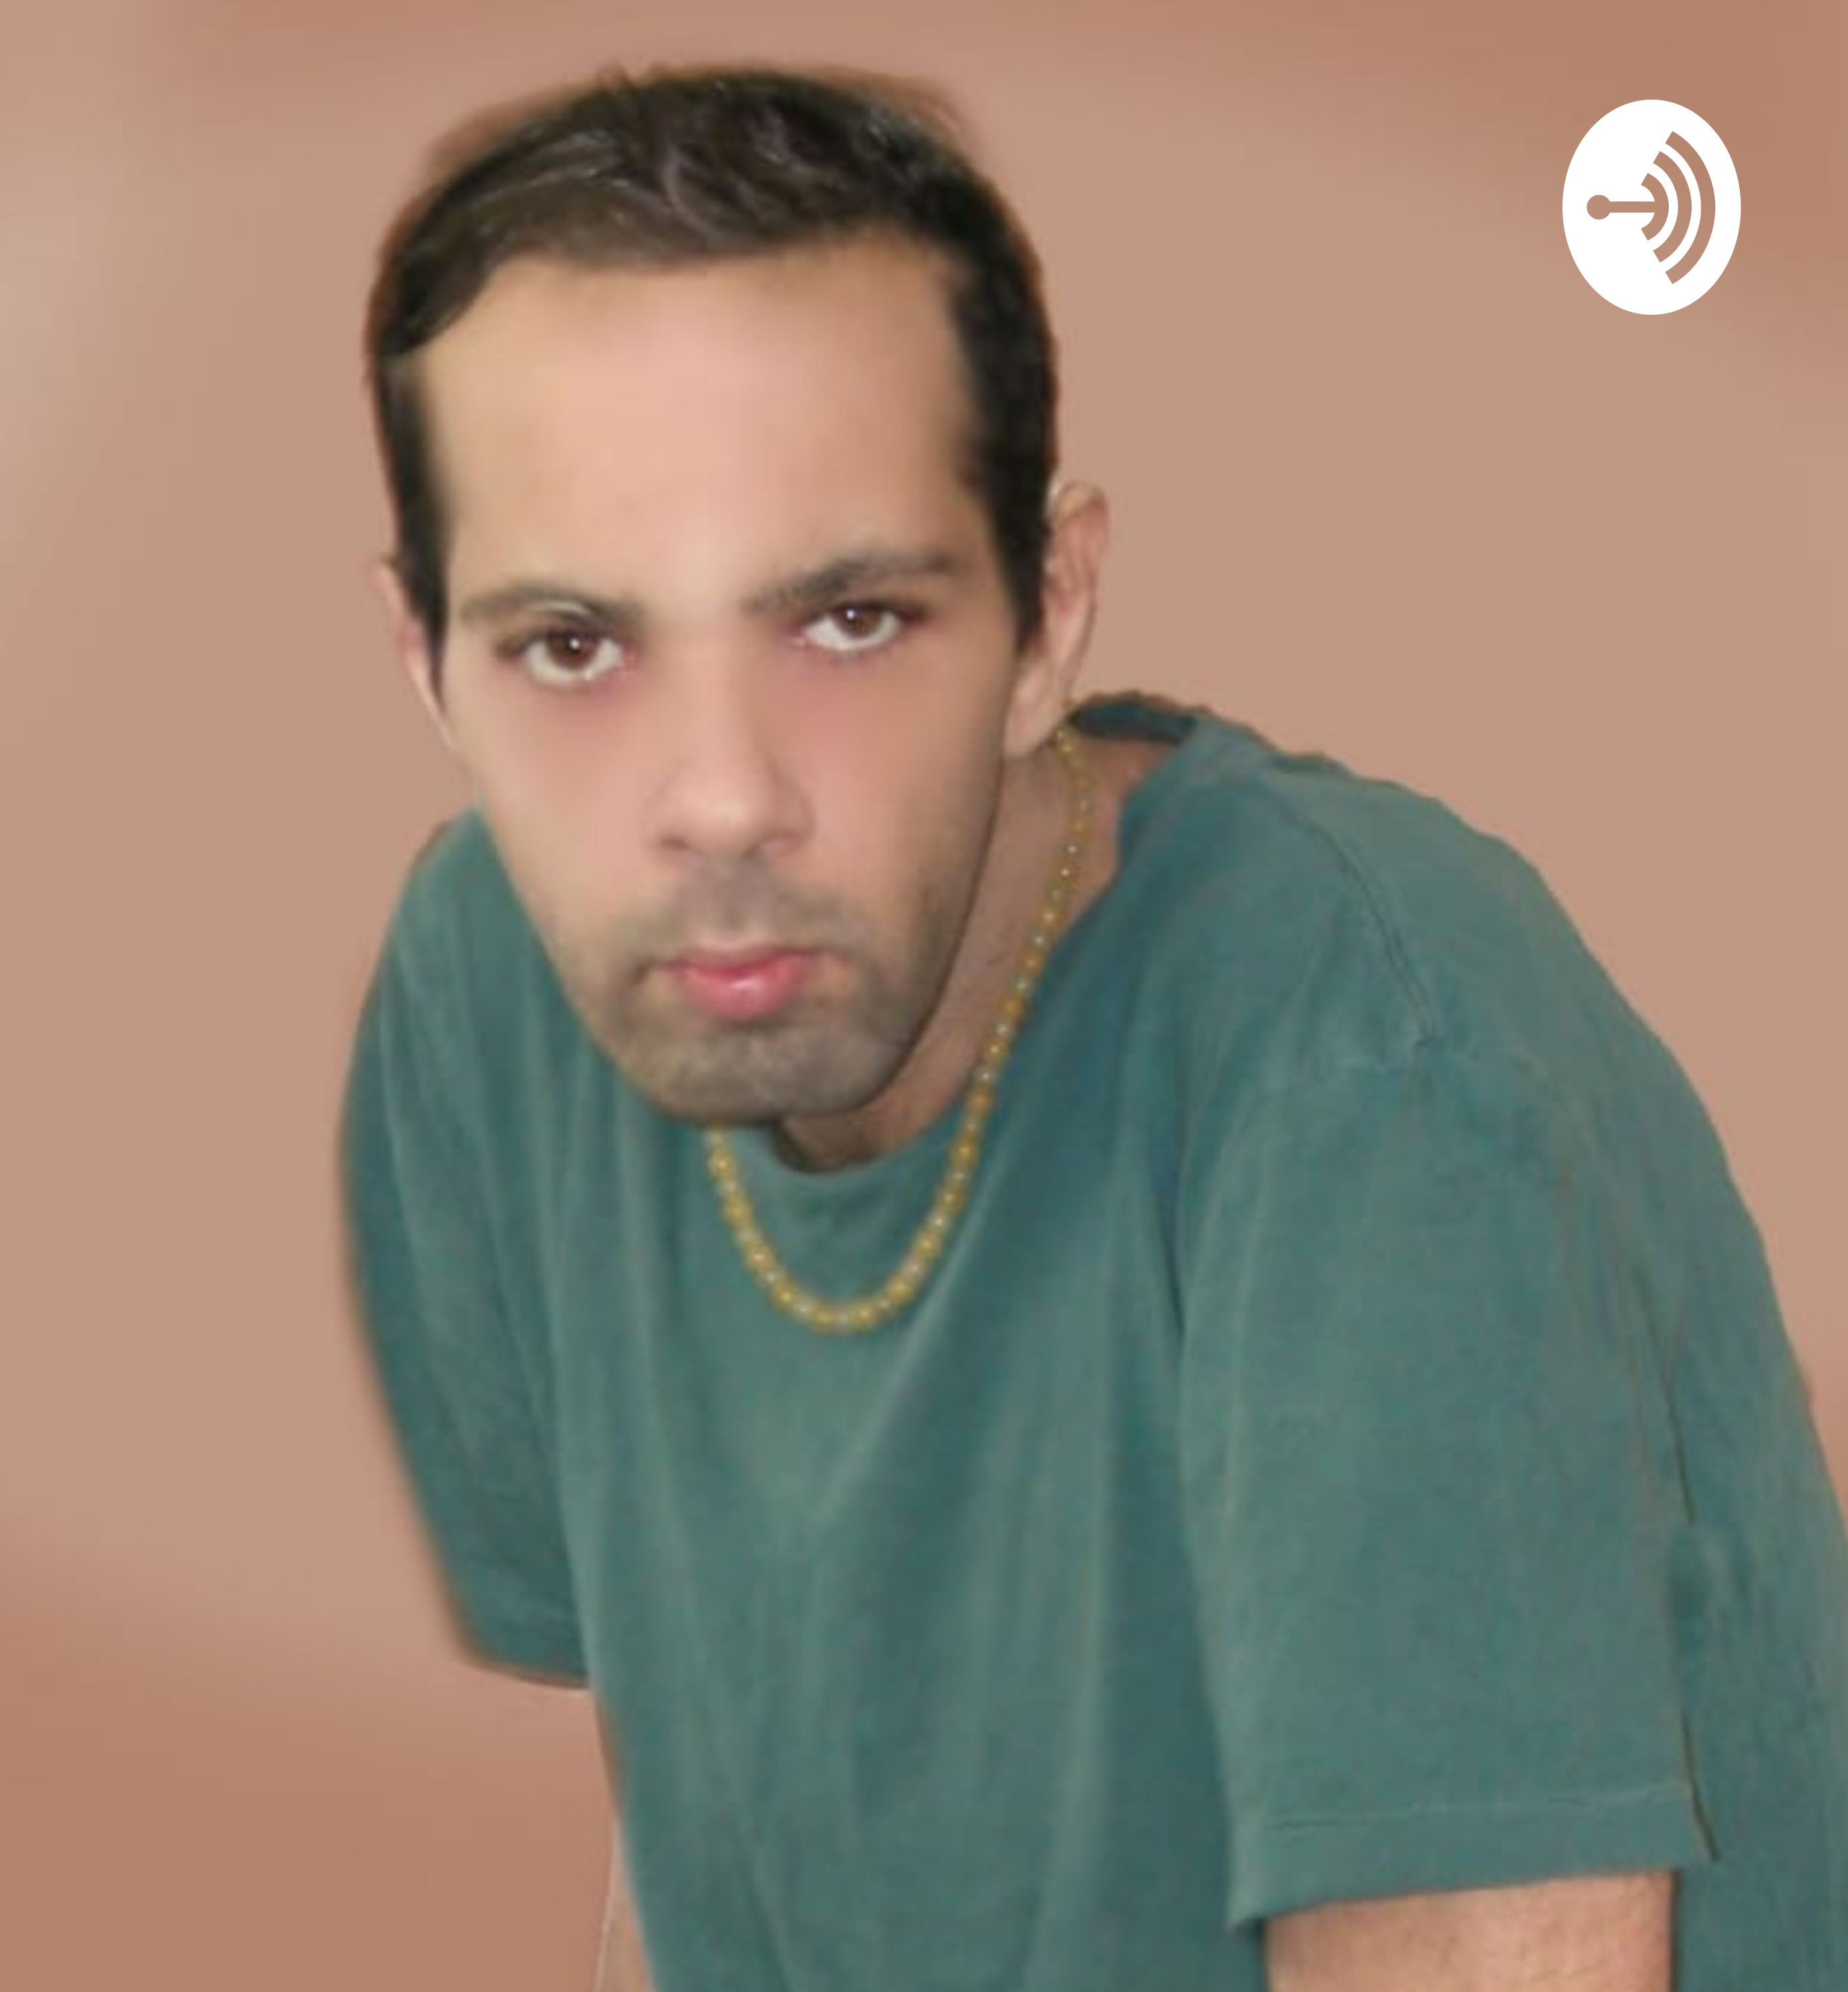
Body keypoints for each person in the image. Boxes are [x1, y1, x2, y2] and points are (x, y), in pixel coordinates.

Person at [335, 60, 1848, 1992]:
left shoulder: (1371, 1069)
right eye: (572, 646)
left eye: (849, 621)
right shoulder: (494, 986)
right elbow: (692, 1829)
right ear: (428, 662)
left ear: (1049, 615)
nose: (719, 800)